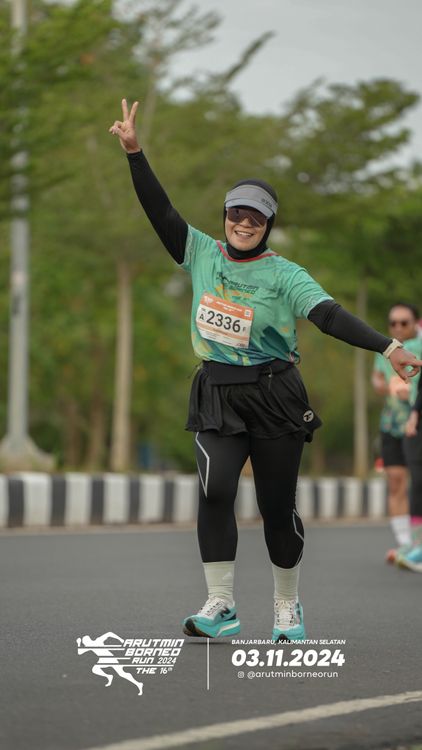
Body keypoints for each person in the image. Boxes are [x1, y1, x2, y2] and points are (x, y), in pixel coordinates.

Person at [109, 99, 422, 642]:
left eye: (255, 217)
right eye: (237, 213)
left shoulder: (286, 274)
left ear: (269, 224)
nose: (244, 223)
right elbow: (161, 211)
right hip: (217, 393)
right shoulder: (200, 252)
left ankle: (287, 605)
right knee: (215, 491)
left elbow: (328, 316)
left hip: (276, 396)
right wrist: (135, 154)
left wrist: (387, 345)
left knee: (276, 508)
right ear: (225, 217)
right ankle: (222, 605)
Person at [372, 303, 422, 563]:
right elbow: (377, 379)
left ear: (416, 322)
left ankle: (417, 541)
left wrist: (411, 390)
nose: (398, 327)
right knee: (395, 480)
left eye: (404, 322)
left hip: (416, 423)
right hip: (391, 423)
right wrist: (386, 386)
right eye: (393, 323)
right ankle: (405, 543)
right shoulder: (386, 347)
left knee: (418, 482)